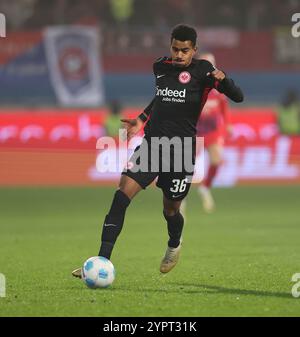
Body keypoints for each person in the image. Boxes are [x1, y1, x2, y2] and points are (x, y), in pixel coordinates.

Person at [72, 24, 243, 277]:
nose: (179, 55)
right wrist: (141, 119)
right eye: (175, 49)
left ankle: (174, 245)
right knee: (120, 197)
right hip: (152, 146)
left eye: (184, 50)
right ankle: (101, 260)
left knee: (170, 210)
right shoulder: (160, 67)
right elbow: (160, 99)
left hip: (182, 150)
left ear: (194, 50)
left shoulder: (204, 72)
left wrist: (225, 81)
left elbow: (238, 96)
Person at [195, 52, 233, 213]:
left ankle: (205, 188)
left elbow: (224, 106)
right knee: (185, 167)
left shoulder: (219, 85)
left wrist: (228, 124)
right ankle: (178, 197)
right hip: (195, 131)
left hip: (213, 130)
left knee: (217, 160)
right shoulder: (194, 84)